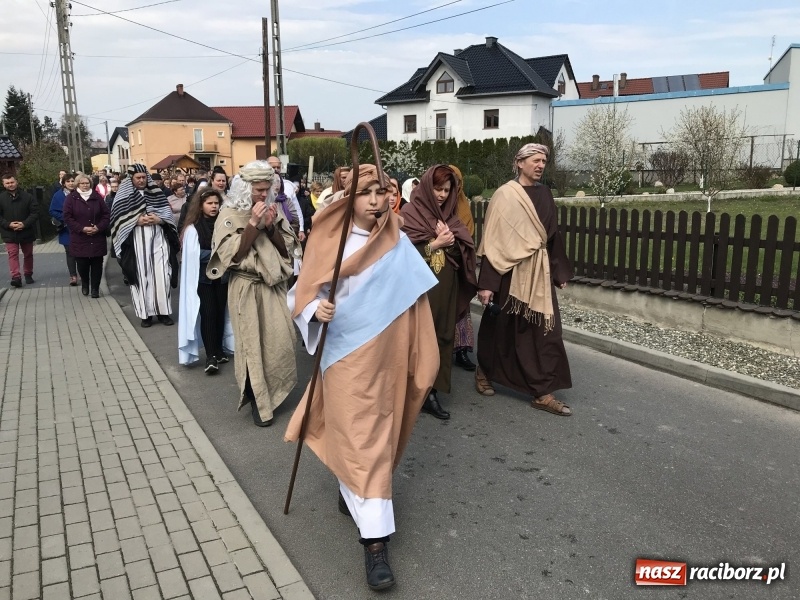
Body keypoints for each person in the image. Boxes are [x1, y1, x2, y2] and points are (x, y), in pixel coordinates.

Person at [285, 164, 439, 592]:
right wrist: (316, 310)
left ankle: (346, 481)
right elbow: (298, 294)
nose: (375, 200)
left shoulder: (398, 241)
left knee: (373, 440)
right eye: (365, 192)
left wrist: (421, 354)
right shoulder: (327, 240)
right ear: (347, 197)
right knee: (364, 444)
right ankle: (375, 546)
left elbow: (413, 301)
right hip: (346, 359)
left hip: (388, 359)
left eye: (381, 191)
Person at [476, 143, 574, 415]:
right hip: (510, 273)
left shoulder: (545, 194)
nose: (541, 165)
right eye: (535, 160)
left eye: (544, 160)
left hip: (539, 273)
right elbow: (493, 242)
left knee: (546, 330)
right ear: (519, 163)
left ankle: (542, 392)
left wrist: (558, 271)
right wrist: (487, 284)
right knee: (502, 327)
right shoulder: (504, 195)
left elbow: (550, 236)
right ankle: (484, 370)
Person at [207, 161, 299, 427]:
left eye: (266, 189)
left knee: (281, 341)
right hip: (245, 287)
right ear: (245, 188)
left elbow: (286, 250)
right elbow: (231, 256)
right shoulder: (229, 214)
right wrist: (254, 225)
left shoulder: (274, 210)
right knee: (251, 347)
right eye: (258, 189)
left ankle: (275, 391)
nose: (262, 194)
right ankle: (259, 402)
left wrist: (270, 227)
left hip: (272, 287)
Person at [401, 165, 477, 419]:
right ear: (425, 186)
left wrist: (454, 243)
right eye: (437, 188)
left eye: (447, 190)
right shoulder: (409, 214)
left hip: (446, 289)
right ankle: (412, 389)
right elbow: (399, 257)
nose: (443, 195)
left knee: (442, 337)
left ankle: (431, 390)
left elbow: (462, 253)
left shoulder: (451, 218)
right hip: (418, 293)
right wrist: (435, 244)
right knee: (417, 340)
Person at [111, 164, 179, 328]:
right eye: (138, 178)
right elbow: (117, 220)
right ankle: (145, 315)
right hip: (136, 242)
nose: (141, 181)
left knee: (162, 275)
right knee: (141, 276)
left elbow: (167, 215)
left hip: (158, 239)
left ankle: (163, 312)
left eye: (143, 177)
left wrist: (159, 220)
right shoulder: (122, 196)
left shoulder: (157, 194)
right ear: (131, 179)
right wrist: (136, 221)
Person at [178, 187, 234, 374]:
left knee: (220, 313)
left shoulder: (224, 224)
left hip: (222, 277)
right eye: (209, 203)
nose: (214, 206)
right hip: (203, 279)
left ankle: (218, 350)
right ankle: (210, 356)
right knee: (208, 314)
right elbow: (193, 255)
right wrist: (218, 254)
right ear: (201, 206)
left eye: (216, 203)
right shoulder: (193, 228)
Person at [63, 174, 110, 298]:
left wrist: (98, 227)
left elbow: (106, 215)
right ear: (78, 184)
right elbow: (67, 217)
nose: (85, 185)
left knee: (97, 264)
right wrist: (82, 228)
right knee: (82, 265)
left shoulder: (97, 197)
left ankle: (95, 288)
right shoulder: (71, 198)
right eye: (82, 183)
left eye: (87, 183)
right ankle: (85, 282)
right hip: (80, 237)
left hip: (97, 236)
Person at [450, 165, 477, 371]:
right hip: (442, 262)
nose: (454, 186)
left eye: (457, 181)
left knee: (462, 307)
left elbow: (468, 232)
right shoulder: (437, 203)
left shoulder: (463, 203)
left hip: (462, 262)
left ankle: (461, 350)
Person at [0, 173, 38, 288]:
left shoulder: (28, 197)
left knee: (28, 254)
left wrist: (24, 224)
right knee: (12, 254)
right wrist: (8, 224)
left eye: (12, 182)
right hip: (9, 232)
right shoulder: (1, 198)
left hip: (26, 231)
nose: (10, 185)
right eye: (7, 183)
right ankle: (16, 277)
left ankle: (28, 274)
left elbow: (35, 213)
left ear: (16, 182)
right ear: (3, 184)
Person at [49, 172, 79, 286]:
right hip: (66, 228)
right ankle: (73, 275)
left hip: (80, 227)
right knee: (70, 252)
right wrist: (65, 218)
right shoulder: (58, 195)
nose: (71, 183)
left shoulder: (80, 194)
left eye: (72, 181)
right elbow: (52, 210)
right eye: (68, 181)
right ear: (64, 183)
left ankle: (83, 272)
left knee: (80, 251)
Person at [266, 156, 304, 241]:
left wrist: (300, 229)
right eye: (273, 167)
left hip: (287, 236)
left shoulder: (288, 186)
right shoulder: (263, 196)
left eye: (278, 167)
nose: (276, 169)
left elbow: (296, 211)